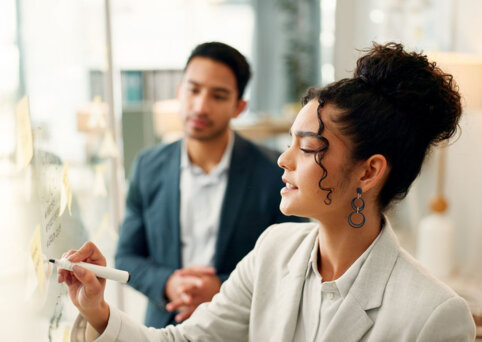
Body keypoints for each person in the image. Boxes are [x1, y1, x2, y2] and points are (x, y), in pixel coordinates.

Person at [60, 42, 476, 341]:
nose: (285, 159)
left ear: (369, 172)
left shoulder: (434, 316)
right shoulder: (274, 250)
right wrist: (97, 309)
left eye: (308, 146)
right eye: (290, 141)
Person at [114, 41, 306, 328]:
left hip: (240, 328)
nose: (201, 106)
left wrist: (223, 288)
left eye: (218, 96)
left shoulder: (274, 171)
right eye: (193, 90)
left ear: (239, 107)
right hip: (165, 326)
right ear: (179, 92)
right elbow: (126, 256)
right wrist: (169, 283)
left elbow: (294, 262)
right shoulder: (148, 166)